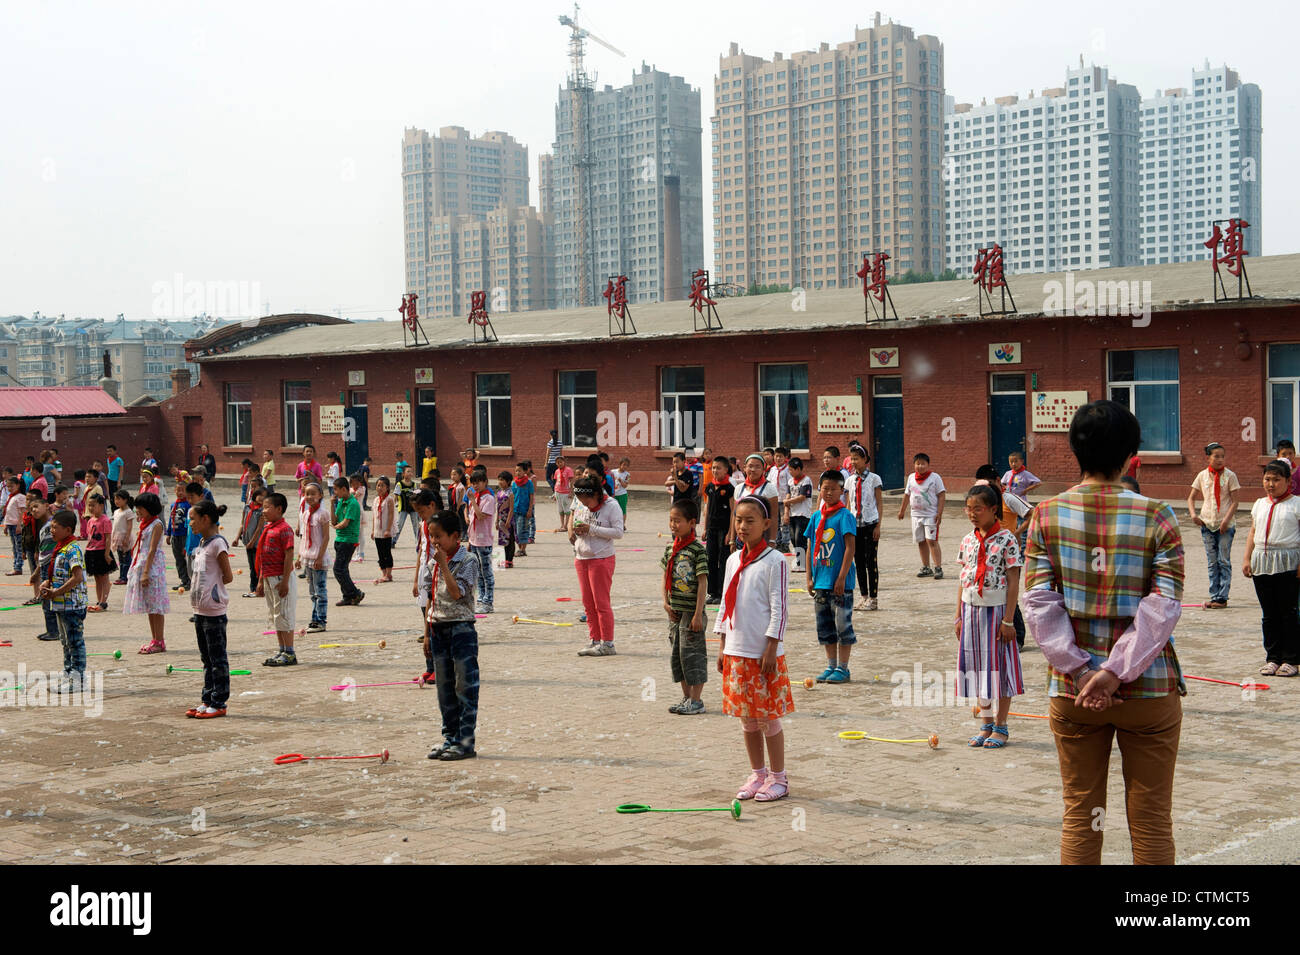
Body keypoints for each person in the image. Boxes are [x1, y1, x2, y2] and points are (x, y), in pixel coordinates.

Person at [1021, 399, 1185, 865]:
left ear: (1075, 451)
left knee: (1081, 813)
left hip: (1072, 693)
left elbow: (1037, 603)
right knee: (1152, 818)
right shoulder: (1159, 516)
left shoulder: (1045, 516)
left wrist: (1080, 669)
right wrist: (1115, 672)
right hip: (1147, 690)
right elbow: (1162, 607)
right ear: (1132, 457)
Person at [717, 496, 793, 802]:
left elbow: (779, 608)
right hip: (736, 649)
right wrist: (722, 644)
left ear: (766, 525)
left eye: (750, 521)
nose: (743, 526)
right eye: (739, 520)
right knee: (746, 718)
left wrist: (771, 647)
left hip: (762, 652)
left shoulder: (775, 561)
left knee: (767, 718)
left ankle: (779, 777)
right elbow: (725, 602)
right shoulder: (733, 559)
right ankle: (757, 773)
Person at [955, 484, 1025, 748]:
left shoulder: (1007, 540)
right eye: (969, 509)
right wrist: (958, 615)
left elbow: (1014, 581)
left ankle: (1001, 726)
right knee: (976, 667)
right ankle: (985, 723)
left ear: (994, 510)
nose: (972, 514)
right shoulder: (968, 540)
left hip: (997, 614)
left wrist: (1009, 620)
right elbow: (963, 578)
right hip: (970, 611)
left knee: (1000, 668)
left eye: (978, 509)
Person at [424, 510, 481, 761]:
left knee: (464, 687)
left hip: (461, 629)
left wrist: (444, 565)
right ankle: (449, 738)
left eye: (439, 537)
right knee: (444, 688)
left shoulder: (468, 560)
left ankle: (465, 742)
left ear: (455, 536)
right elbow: (430, 599)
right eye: (431, 536)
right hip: (438, 627)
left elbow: (457, 593)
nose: (435, 542)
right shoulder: (432, 562)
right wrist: (426, 632)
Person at [1242, 459, 1300, 677]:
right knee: (1269, 614)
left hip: (1288, 563)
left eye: (1276, 480)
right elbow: (1252, 532)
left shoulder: (1296, 504)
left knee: (1289, 612)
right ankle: (1273, 658)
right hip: (1262, 563)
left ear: (1288, 481)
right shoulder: (1259, 504)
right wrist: (1247, 558)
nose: (1271, 484)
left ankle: (1291, 659)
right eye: (1267, 479)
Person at [806, 470, 856, 684]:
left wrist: (842, 577)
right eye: (824, 488)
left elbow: (850, 548)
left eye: (833, 489)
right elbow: (809, 548)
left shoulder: (845, 516)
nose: (828, 493)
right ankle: (831, 665)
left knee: (842, 625)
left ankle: (844, 668)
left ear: (841, 491)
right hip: (821, 581)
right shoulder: (817, 516)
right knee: (825, 626)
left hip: (839, 582)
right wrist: (809, 577)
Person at [186, 499, 235, 718]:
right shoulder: (202, 544)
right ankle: (207, 698)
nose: (191, 524)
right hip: (199, 611)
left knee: (217, 659)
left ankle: (219, 702)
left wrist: (214, 593)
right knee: (206, 659)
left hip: (214, 612)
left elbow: (228, 575)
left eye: (193, 519)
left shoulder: (217, 544)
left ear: (206, 519)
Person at [662, 498, 709, 714]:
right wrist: (665, 602)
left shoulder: (697, 550)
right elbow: (665, 576)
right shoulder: (670, 548)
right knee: (678, 656)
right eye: (671, 520)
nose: (673, 525)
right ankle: (686, 697)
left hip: (692, 613)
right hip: (675, 612)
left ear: (692, 523)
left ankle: (696, 700)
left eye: (677, 521)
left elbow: (702, 582)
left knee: (693, 656)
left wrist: (698, 614)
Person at [571, 475, 624, 656]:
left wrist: (591, 529)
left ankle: (608, 643)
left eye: (586, 500)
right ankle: (594, 640)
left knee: (601, 603)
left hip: (601, 559)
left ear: (596, 494)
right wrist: (575, 530)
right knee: (588, 603)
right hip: (581, 557)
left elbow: (618, 532)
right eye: (580, 500)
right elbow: (576, 520)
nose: (584, 504)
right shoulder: (581, 504)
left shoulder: (612, 506)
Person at [1187, 441, 1240, 609]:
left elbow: (1235, 501)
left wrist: (1226, 520)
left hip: (1226, 525)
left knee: (1223, 560)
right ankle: (1214, 595)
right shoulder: (1202, 476)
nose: (1220, 460)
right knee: (1212, 562)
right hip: (1207, 524)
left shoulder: (1230, 476)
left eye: (1222, 456)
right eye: (1216, 456)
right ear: (1208, 457)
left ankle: (1222, 597)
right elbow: (1191, 497)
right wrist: (1194, 514)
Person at [40, 510, 88, 693]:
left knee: (75, 642)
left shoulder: (73, 548)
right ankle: (68, 675)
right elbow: (59, 573)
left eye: (55, 527)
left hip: (71, 604)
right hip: (60, 604)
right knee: (65, 641)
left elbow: (77, 577)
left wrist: (57, 592)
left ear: (68, 530)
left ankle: (78, 680)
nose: (52, 530)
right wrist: (47, 583)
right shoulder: (60, 547)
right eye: (51, 527)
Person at [124, 492, 170, 654]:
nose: (138, 511)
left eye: (140, 508)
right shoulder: (145, 522)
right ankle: (155, 639)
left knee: (156, 607)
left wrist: (146, 572)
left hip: (152, 569)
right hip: (143, 565)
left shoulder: (157, 524)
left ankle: (160, 640)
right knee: (151, 606)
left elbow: (152, 550)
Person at [257, 492, 299, 666]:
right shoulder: (269, 528)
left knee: (285, 614)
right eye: (263, 507)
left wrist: (285, 581)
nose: (263, 510)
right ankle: (281, 649)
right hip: (269, 577)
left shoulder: (285, 529)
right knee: (276, 615)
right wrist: (260, 580)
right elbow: (263, 557)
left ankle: (290, 653)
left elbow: (289, 556)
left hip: (281, 577)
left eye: (267, 507)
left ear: (279, 509)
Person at [844, 443, 883, 610]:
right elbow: (848, 504)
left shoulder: (874, 479)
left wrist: (878, 526)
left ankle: (873, 599)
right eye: (852, 458)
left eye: (857, 458)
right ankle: (864, 596)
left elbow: (879, 503)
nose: (853, 461)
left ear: (865, 459)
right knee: (858, 561)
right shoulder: (849, 480)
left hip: (870, 524)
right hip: (855, 525)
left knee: (870, 562)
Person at [897, 453, 946, 579]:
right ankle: (926, 567)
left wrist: (939, 513)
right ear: (914, 465)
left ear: (928, 465)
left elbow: (941, 495)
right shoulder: (911, 478)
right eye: (918, 463)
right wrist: (902, 510)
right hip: (916, 515)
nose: (920, 466)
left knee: (931, 540)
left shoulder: (935, 478)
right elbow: (907, 495)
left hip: (931, 515)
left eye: (923, 463)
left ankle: (938, 567)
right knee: (921, 541)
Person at [296, 481, 332, 634]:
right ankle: (314, 618)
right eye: (306, 493)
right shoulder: (305, 514)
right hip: (307, 556)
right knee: (312, 591)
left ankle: (321, 620)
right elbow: (304, 537)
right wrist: (299, 557)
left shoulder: (322, 514)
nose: (309, 496)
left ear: (320, 496)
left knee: (320, 590)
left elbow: (325, 538)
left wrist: (319, 557)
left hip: (318, 557)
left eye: (313, 493)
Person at [699, 456, 734, 605]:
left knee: (723, 560)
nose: (715, 470)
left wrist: (730, 533)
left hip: (724, 529)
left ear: (726, 470)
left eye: (718, 468)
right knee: (710, 559)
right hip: (712, 528)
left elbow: (734, 511)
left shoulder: (730, 488)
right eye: (713, 468)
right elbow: (707, 508)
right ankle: (712, 592)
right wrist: (705, 528)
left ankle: (722, 592)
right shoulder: (710, 487)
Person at [464, 469, 497, 614]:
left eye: (478, 483)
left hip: (484, 541)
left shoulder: (488, 498)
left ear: (485, 482)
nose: (476, 486)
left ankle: (488, 601)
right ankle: (481, 599)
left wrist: (472, 500)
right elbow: (471, 519)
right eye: (473, 483)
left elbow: (481, 516)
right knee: (477, 572)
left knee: (486, 572)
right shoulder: (476, 497)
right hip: (474, 539)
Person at [329, 477, 365, 607]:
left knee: (338, 569)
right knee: (343, 569)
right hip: (340, 539)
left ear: (344, 489)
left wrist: (335, 526)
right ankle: (348, 596)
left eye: (336, 490)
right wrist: (332, 505)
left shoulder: (352, 503)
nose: (335, 493)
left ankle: (355, 593)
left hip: (348, 540)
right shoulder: (341, 502)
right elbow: (334, 520)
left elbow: (345, 523)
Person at [732, 454, 779, 546]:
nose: (753, 470)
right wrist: (732, 539)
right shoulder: (738, 488)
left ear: (763, 470)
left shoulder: (770, 488)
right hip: (742, 536)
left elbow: (773, 516)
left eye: (757, 467)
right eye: (750, 466)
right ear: (744, 468)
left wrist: (772, 540)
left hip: (762, 537)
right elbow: (734, 515)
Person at [82, 493, 114, 612]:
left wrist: (106, 554)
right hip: (91, 551)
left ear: (101, 505)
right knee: (97, 578)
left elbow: (107, 538)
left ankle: (103, 602)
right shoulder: (90, 520)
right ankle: (98, 600)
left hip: (102, 552)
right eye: (88, 505)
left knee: (104, 577)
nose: (90, 508)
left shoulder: (105, 520)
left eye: (93, 505)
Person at [785, 456, 814, 575]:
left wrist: (788, 502)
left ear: (798, 469)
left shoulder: (806, 481)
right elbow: (788, 495)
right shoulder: (790, 481)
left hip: (803, 514)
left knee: (800, 538)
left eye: (791, 470)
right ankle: (799, 560)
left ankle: (803, 563)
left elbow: (802, 497)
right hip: (792, 513)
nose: (790, 472)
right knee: (793, 539)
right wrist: (786, 512)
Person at [235, 486, 265, 597]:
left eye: (264, 496)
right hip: (248, 542)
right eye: (260, 495)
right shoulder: (247, 508)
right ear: (255, 495)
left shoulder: (262, 511)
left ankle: (259, 589)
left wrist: (252, 542)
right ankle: (253, 588)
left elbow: (259, 528)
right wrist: (237, 538)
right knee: (252, 567)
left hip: (256, 543)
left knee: (258, 567)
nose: (262, 498)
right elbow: (242, 524)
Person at [166, 483, 192, 593]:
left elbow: (189, 523)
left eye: (182, 490)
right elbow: (170, 519)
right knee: (178, 559)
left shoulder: (188, 505)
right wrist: (168, 534)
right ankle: (183, 580)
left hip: (184, 535)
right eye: (178, 490)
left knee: (186, 558)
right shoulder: (173, 505)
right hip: (175, 535)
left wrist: (187, 541)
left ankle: (190, 581)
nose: (180, 493)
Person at [371, 475, 396, 584]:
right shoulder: (376, 500)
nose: (380, 488)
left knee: (387, 552)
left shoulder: (389, 500)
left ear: (387, 488)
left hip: (386, 530)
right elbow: (373, 515)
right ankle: (383, 573)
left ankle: (389, 574)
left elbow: (390, 515)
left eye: (382, 485)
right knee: (380, 553)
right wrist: (373, 530)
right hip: (377, 531)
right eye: (378, 485)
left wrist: (388, 529)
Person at [767, 446, 791, 554]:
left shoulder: (787, 470)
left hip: (784, 500)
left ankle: (785, 544)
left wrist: (788, 499)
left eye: (780, 457)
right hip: (773, 500)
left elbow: (789, 485)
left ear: (785, 458)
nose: (778, 459)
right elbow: (768, 483)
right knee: (775, 522)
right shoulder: (772, 470)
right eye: (776, 456)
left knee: (784, 523)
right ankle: (777, 541)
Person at [110, 490, 135, 585]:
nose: (116, 501)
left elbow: (129, 526)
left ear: (125, 500)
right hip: (117, 538)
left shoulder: (128, 512)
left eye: (119, 499)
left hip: (125, 538)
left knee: (126, 559)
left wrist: (126, 538)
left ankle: (126, 577)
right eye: (115, 499)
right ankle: (122, 576)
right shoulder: (116, 511)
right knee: (121, 559)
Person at [511, 463, 535, 558]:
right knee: (516, 531)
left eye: (519, 470)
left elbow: (531, 496)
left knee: (523, 530)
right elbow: (512, 496)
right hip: (515, 510)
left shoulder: (529, 483)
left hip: (524, 511)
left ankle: (523, 549)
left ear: (524, 472)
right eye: (516, 470)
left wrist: (530, 510)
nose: (518, 472)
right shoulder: (514, 483)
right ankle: (520, 548)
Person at [3, 476, 25, 576]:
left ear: (18, 485)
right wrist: (6, 525)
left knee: (19, 548)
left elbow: (22, 512)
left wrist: (19, 525)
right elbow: (8, 512)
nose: (9, 488)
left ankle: (18, 567)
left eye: (11, 486)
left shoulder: (20, 497)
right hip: (10, 525)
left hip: (17, 526)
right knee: (14, 547)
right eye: (8, 487)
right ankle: (16, 566)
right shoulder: (11, 497)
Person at [495, 471, 516, 569]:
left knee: (510, 540)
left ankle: (509, 560)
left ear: (508, 481)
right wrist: (496, 521)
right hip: (501, 521)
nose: (500, 482)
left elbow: (511, 508)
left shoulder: (510, 493)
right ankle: (504, 559)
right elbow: (498, 508)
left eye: (502, 480)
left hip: (508, 521)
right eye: (499, 480)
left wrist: (508, 520)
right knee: (503, 540)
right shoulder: (499, 493)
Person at [393, 467, 417, 546]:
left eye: (411, 471)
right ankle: (393, 541)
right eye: (408, 471)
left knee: (416, 525)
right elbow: (395, 496)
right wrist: (393, 506)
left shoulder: (414, 484)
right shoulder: (399, 484)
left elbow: (416, 495)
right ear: (403, 474)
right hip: (403, 508)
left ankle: (418, 542)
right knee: (399, 525)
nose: (410, 473)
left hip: (413, 508)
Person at [552, 455, 575, 531]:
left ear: (564, 462)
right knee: (560, 510)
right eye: (558, 462)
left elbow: (571, 481)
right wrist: (555, 493)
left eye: (561, 462)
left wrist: (571, 492)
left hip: (566, 493)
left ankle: (566, 525)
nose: (559, 464)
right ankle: (562, 525)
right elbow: (556, 482)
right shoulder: (556, 471)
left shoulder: (568, 470)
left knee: (567, 510)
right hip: (558, 492)